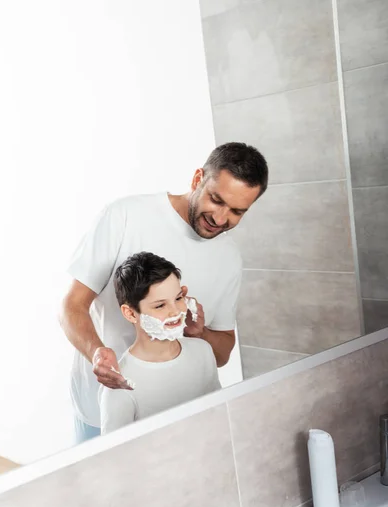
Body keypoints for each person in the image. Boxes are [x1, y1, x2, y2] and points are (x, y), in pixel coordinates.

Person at [60, 141, 268, 442]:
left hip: (177, 416)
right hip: (100, 408)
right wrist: (97, 354)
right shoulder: (125, 216)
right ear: (198, 179)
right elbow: (71, 306)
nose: (221, 219)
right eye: (216, 200)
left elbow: (221, 353)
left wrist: (200, 334)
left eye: (237, 211)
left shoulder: (229, 258)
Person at [100, 252, 221, 434]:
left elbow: (219, 416)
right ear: (131, 313)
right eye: (160, 305)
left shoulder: (202, 351)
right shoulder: (120, 384)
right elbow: (116, 457)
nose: (175, 311)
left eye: (178, 298)